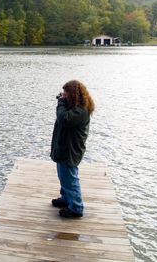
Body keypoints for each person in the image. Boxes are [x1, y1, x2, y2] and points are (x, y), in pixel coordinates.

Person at [50, 80, 95, 218]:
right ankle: (66, 199)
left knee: (70, 178)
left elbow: (64, 119)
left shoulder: (81, 110)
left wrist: (61, 102)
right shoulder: (74, 107)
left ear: (74, 94)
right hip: (65, 148)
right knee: (63, 176)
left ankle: (76, 207)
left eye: (66, 93)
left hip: (70, 150)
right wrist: (64, 102)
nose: (63, 95)